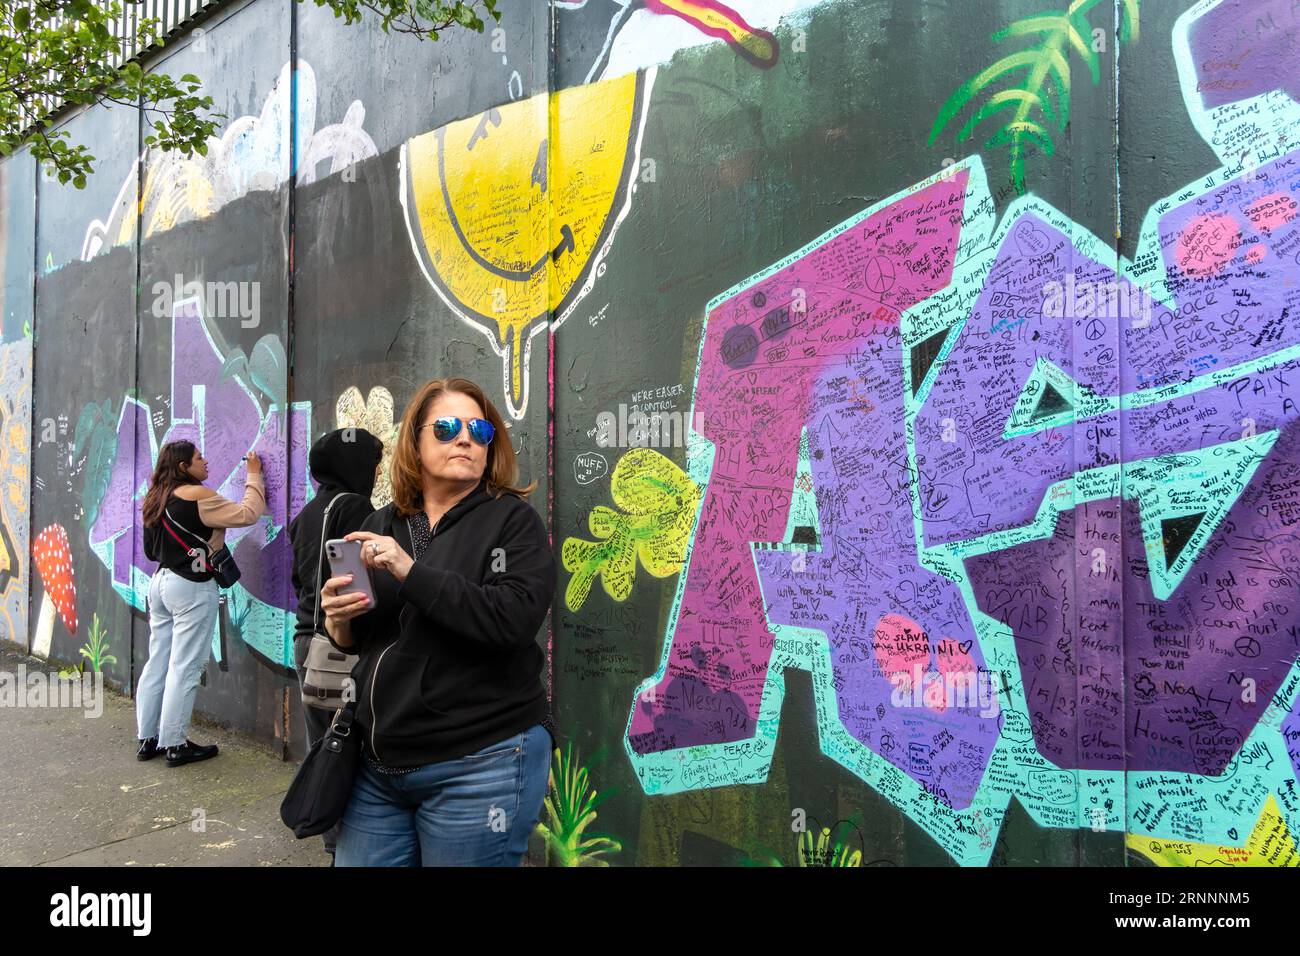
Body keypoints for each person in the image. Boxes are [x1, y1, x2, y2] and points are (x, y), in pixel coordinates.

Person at [320, 377, 557, 866]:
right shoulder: (383, 522)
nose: (465, 439)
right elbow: (364, 639)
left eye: (479, 430)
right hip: (377, 765)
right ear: (416, 442)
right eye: (447, 428)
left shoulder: (512, 521)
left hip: (480, 762)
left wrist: (410, 571)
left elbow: (511, 619)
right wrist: (339, 623)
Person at [137, 440, 267, 767]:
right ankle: (176, 744)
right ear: (183, 467)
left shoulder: (155, 498)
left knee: (159, 661)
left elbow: (151, 551)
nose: (205, 461)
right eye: (198, 458)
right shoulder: (198, 496)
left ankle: (148, 738)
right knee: (186, 665)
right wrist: (254, 475)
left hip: (161, 583)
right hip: (192, 588)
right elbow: (247, 514)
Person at [286, 426, 384, 861]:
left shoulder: (307, 513)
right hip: (339, 645)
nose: (377, 472)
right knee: (354, 749)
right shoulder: (357, 507)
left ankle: (330, 840)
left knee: (325, 747)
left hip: (305, 642)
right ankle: (348, 846)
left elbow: (297, 579)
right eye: (373, 464)